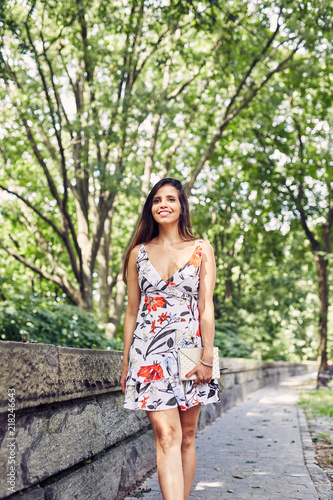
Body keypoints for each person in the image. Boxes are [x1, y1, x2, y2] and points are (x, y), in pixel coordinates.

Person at [120, 178, 220, 500]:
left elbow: (206, 307)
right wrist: (125, 363)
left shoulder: (202, 249)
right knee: (167, 435)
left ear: (181, 206)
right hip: (148, 352)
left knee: (188, 436)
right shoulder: (138, 253)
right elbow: (132, 311)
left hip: (193, 349)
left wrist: (206, 356)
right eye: (157, 200)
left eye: (170, 199)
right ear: (151, 208)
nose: (163, 204)